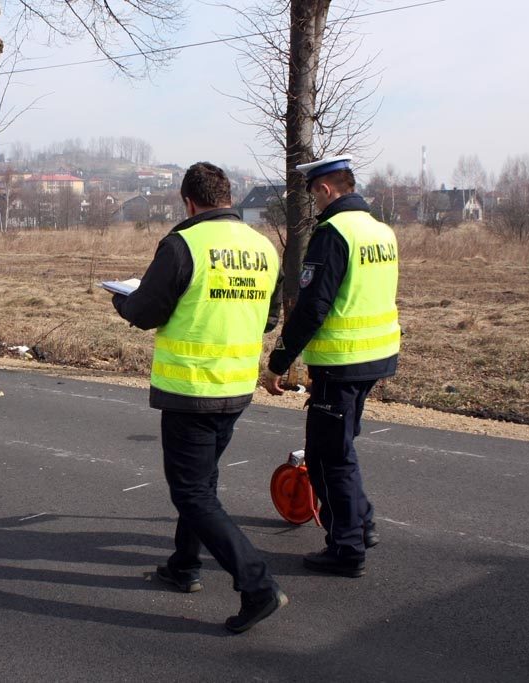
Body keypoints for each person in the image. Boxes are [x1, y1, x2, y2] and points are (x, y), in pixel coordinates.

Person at [112, 162, 287, 633]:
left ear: (188, 201)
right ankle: (183, 566)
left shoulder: (183, 244)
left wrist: (122, 300)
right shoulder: (263, 248)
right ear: (228, 197)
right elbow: (271, 319)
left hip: (191, 389)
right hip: (236, 387)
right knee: (201, 486)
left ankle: (257, 584)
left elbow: (145, 312)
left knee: (191, 492)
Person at [261, 155, 400, 578]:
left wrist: (278, 362)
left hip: (341, 361)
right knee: (340, 449)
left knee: (327, 459)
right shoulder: (381, 231)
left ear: (324, 189)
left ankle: (346, 548)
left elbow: (312, 307)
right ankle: (363, 524)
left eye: (312, 196)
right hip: (376, 356)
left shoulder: (333, 232)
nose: (313, 205)